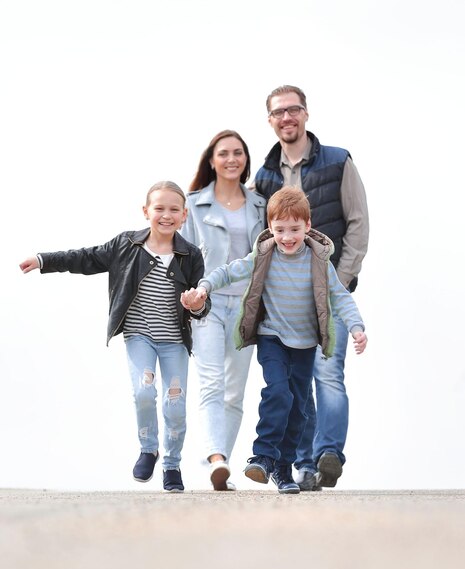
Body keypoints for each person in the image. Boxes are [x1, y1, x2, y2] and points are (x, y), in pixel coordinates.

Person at [19, 181, 210, 492]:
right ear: (146, 211)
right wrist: (44, 261)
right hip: (139, 336)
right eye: (159, 208)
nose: (166, 215)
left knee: (175, 404)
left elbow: (202, 301)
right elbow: (85, 258)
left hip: (174, 340)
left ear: (184, 215)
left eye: (174, 209)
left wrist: (197, 304)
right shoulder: (125, 245)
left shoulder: (190, 254)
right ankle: (149, 449)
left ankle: (172, 466)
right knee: (144, 390)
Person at [181, 186, 367, 495]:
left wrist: (357, 327)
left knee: (299, 409)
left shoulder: (319, 261)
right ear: (270, 228)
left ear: (308, 227)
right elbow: (229, 271)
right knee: (279, 393)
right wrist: (205, 287)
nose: (287, 237)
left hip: (306, 344)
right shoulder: (263, 255)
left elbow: (340, 297)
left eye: (294, 229)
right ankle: (263, 456)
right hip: (273, 339)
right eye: (280, 229)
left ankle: (283, 468)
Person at [253, 84, 369, 490]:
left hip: (330, 288)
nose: (287, 117)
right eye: (278, 112)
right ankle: (304, 464)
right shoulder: (264, 175)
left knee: (328, 373)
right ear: (270, 120)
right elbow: (257, 235)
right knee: (298, 383)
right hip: (286, 301)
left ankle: (328, 454)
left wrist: (345, 275)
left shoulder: (338, 161)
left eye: (294, 110)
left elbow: (358, 220)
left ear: (306, 114)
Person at [180, 130, 266, 491]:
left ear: (246, 159)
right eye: (224, 153)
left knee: (235, 390)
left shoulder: (260, 204)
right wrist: (185, 299)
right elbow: (181, 257)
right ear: (211, 161)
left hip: (247, 305)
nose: (232, 159)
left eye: (238, 153)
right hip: (208, 304)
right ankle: (216, 456)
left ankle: (222, 467)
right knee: (212, 382)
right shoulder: (194, 203)